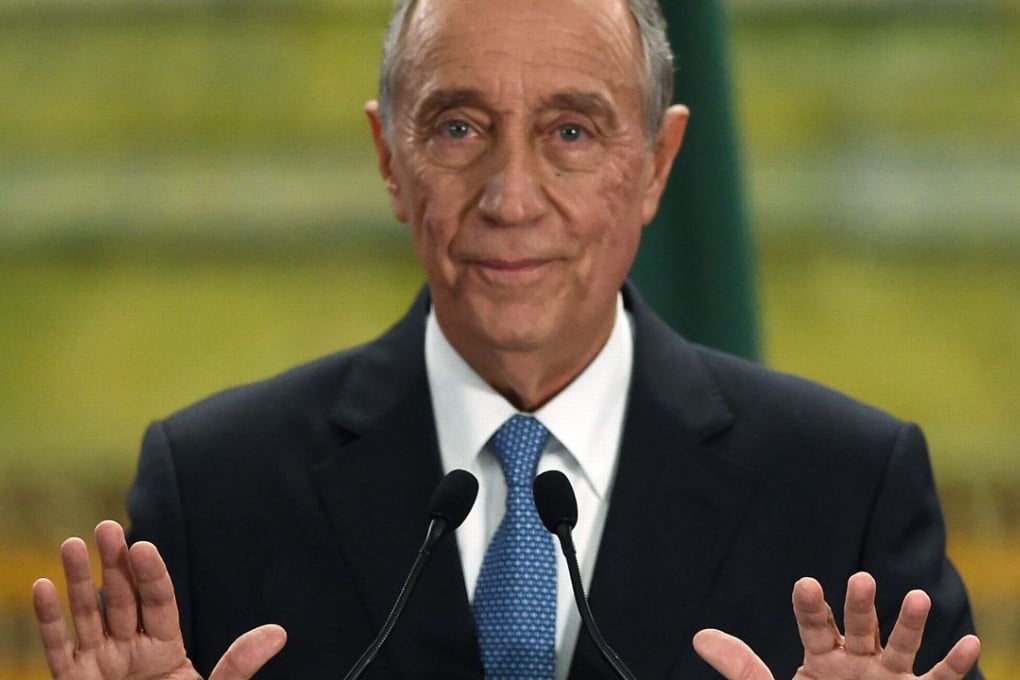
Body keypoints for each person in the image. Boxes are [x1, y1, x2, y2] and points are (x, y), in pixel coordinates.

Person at [33, 0, 983, 678]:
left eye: (571, 132)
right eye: (458, 128)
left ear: (658, 165)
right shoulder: (213, 491)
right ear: (389, 160)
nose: (511, 199)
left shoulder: (846, 489)